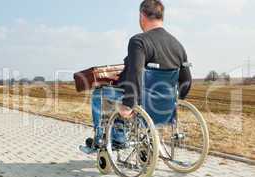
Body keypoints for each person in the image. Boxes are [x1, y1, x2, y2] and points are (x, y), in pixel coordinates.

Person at [80, 0, 192, 154]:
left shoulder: (139, 41)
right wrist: (172, 100)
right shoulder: (177, 45)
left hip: (143, 102)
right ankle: (122, 133)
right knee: (122, 95)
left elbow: (136, 72)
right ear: (161, 17)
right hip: (166, 107)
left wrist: (128, 105)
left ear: (142, 16)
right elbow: (186, 81)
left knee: (100, 94)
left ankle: (107, 139)